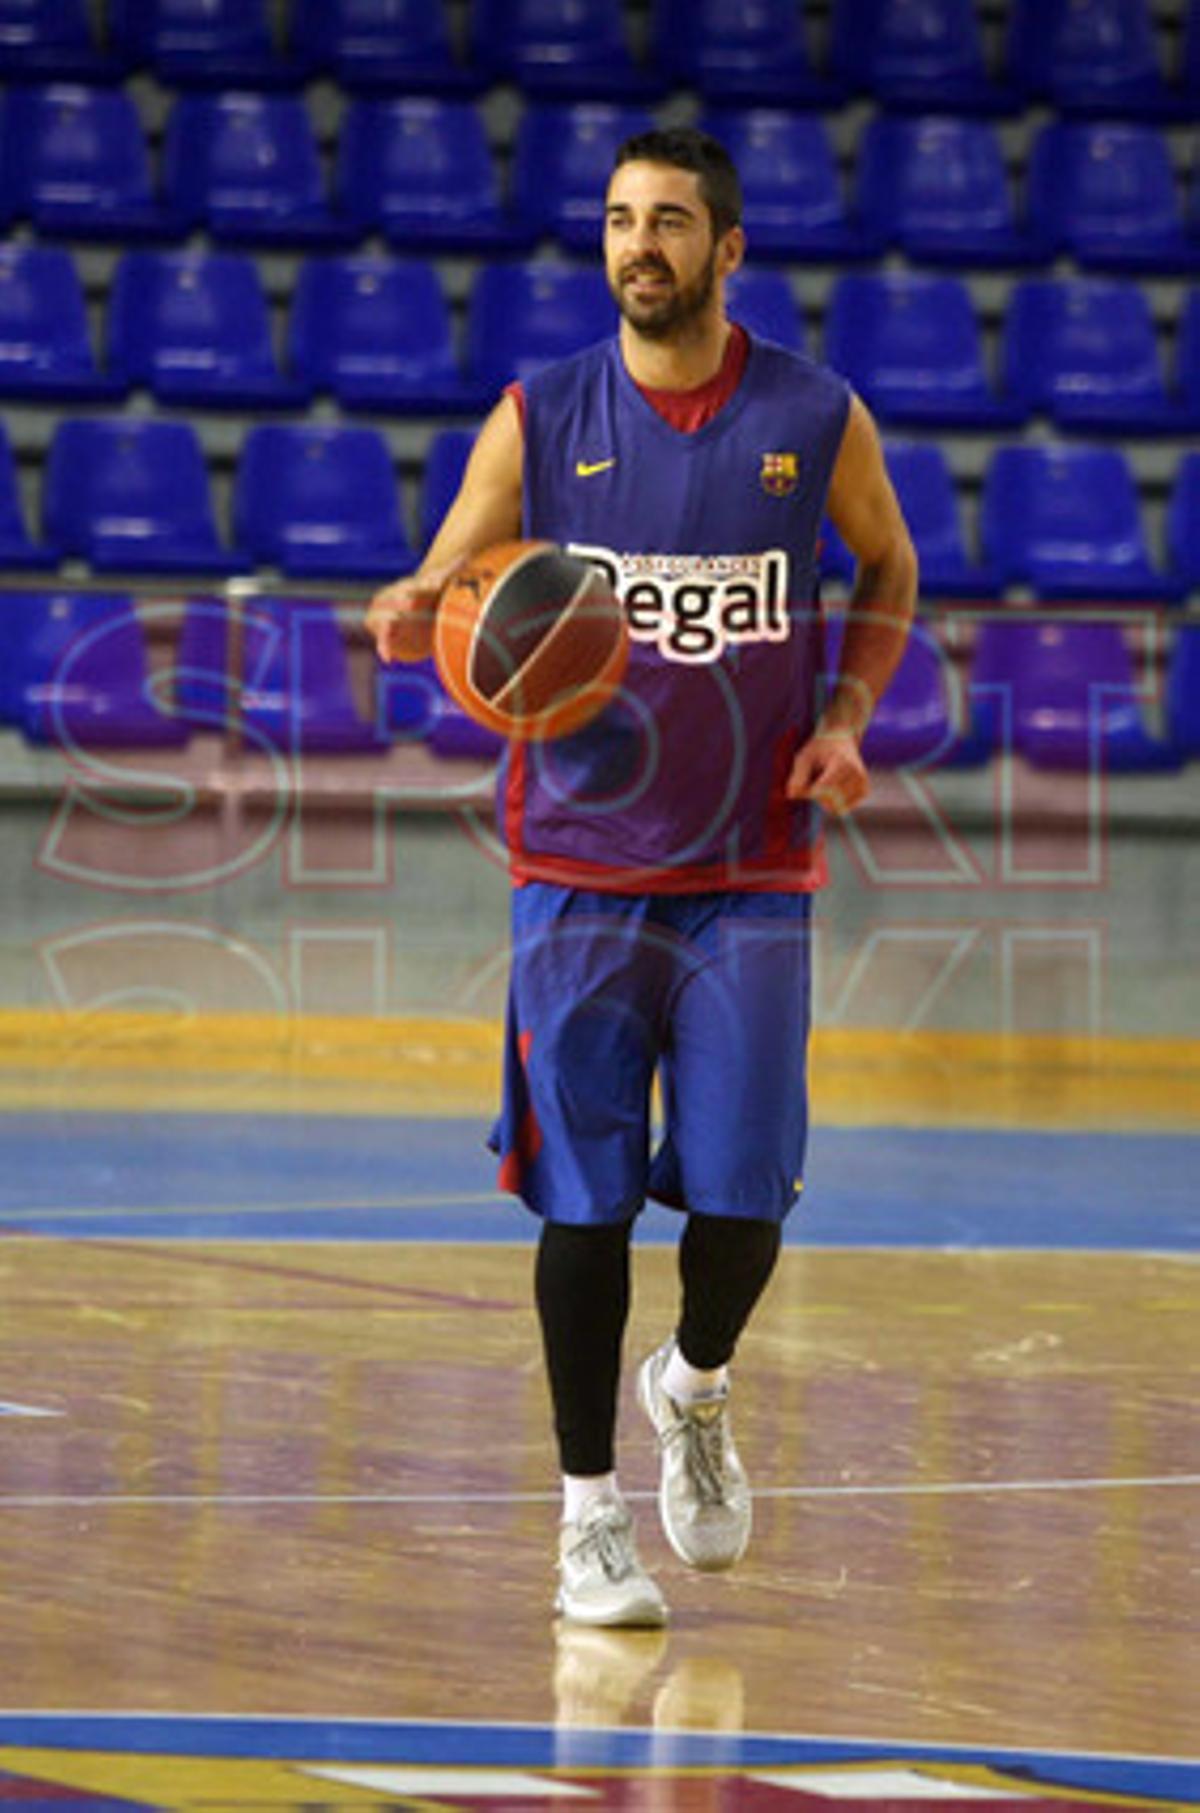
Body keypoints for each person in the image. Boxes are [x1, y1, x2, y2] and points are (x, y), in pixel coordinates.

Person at [366, 127, 918, 1628]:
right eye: (619, 220)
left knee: (744, 1199)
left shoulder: (813, 412)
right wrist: (419, 605)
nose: (638, 246)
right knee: (586, 1206)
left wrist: (852, 718)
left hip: (753, 866)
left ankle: (697, 1379)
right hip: (579, 868)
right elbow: (447, 575)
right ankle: (586, 1517)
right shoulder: (544, 413)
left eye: (669, 222)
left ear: (728, 249)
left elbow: (891, 567)